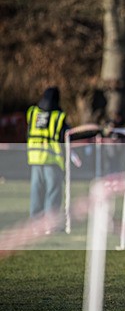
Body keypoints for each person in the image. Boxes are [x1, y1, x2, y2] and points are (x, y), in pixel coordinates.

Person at [27, 86, 68, 219]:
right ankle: (50, 222)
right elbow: (65, 135)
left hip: (34, 157)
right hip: (52, 160)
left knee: (36, 191)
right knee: (53, 191)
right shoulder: (57, 116)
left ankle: (35, 221)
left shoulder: (33, 113)